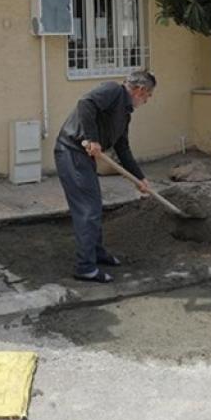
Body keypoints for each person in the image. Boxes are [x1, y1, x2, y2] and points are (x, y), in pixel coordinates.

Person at [54, 70, 156, 283]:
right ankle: (85, 267)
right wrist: (92, 139)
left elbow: (122, 148)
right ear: (140, 90)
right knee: (88, 209)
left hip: (83, 157)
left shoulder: (124, 113)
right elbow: (85, 103)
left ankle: (96, 252)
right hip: (71, 152)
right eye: (148, 95)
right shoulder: (113, 90)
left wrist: (140, 178)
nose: (147, 101)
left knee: (94, 205)